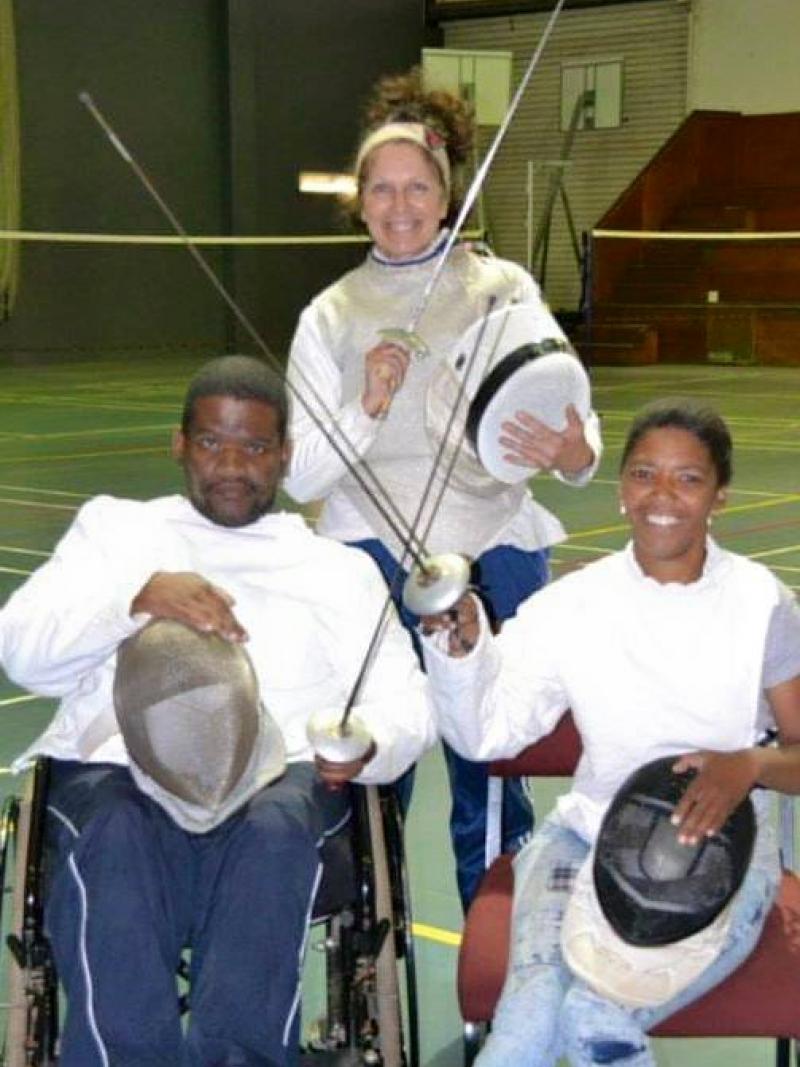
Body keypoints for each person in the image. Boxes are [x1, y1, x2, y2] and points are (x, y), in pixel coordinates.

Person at [0, 355, 436, 1067]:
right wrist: (134, 599)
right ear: (180, 445)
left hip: (281, 784)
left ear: (285, 455)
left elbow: (405, 701)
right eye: (211, 443)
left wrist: (367, 742)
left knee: (273, 830)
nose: (232, 464)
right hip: (119, 774)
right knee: (113, 833)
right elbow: (21, 649)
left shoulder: (335, 568)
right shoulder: (114, 531)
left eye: (256, 447)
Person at [284, 69, 602, 909]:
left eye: (417, 187)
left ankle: (508, 968)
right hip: (364, 559)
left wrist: (573, 450)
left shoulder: (504, 287)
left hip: (494, 553)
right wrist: (369, 402)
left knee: (492, 769)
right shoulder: (330, 314)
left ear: (446, 191)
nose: (399, 205)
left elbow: (577, 434)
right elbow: (302, 473)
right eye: (381, 189)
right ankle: (376, 959)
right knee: (376, 770)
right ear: (360, 200)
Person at [420, 399, 800, 1066]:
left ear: (719, 495)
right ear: (622, 488)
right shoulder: (574, 603)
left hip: (721, 852)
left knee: (595, 1021)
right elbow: (488, 733)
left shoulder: (761, 602)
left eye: (688, 479)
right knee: (523, 1026)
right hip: (586, 837)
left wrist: (749, 764)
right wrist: (464, 653)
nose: (663, 495)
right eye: (645, 474)